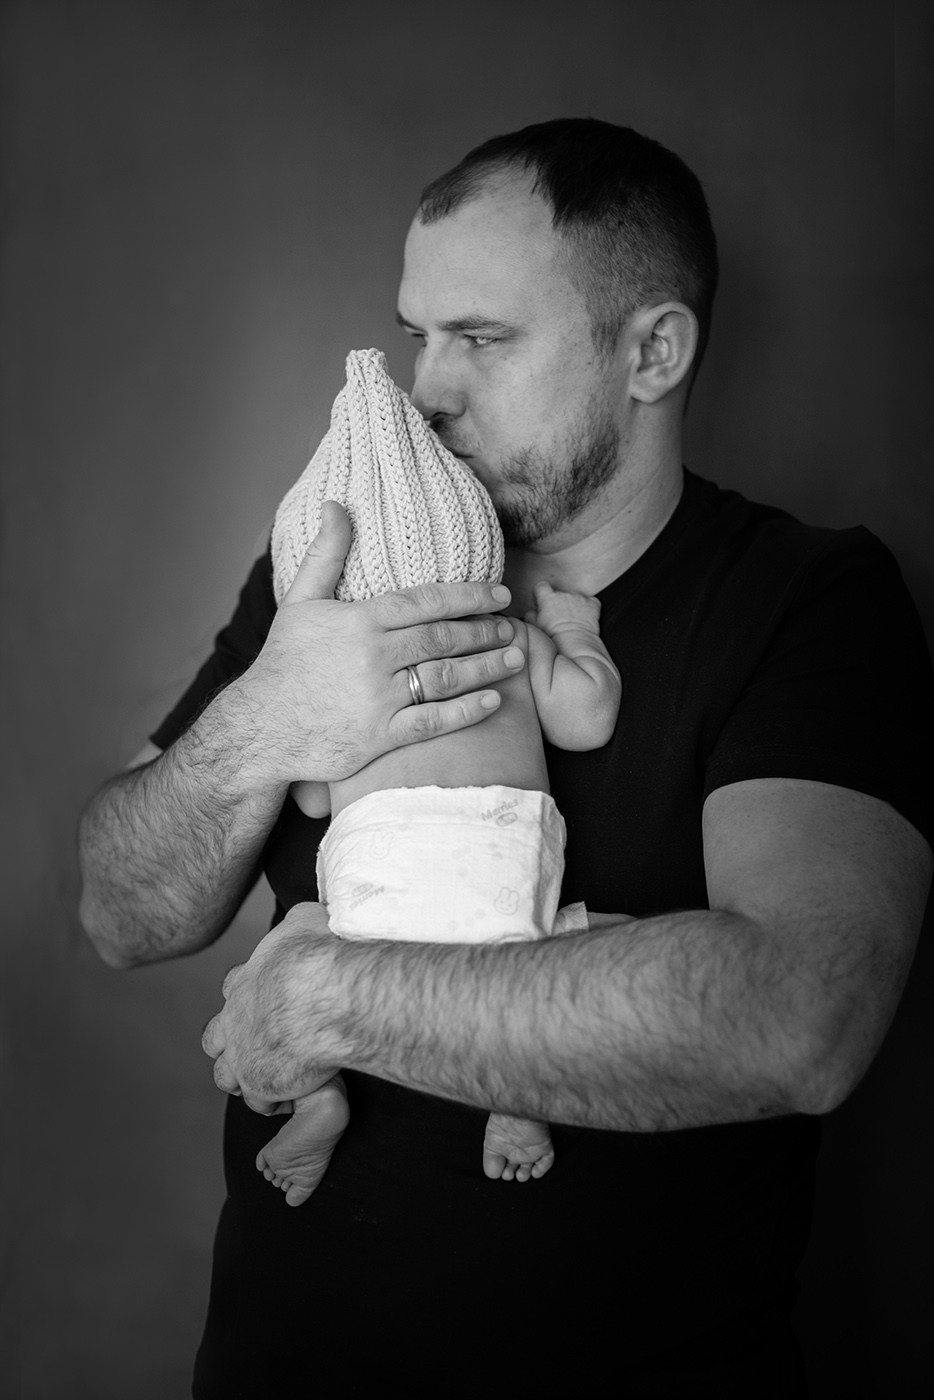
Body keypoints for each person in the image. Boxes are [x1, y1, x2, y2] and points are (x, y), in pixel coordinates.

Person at [78, 118, 934, 1397]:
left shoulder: (806, 601)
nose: (429, 387)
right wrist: (266, 715)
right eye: (420, 332)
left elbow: (797, 1017)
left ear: (652, 350)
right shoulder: (345, 562)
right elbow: (118, 913)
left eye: (481, 337)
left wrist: (329, 995)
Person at [256, 345, 621, 1204]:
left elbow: (310, 794)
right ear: (476, 547)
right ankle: (517, 1095)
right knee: (567, 962)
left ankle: (320, 1097)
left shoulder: (329, 690)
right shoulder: (507, 640)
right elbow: (589, 716)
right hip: (495, 873)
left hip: (370, 894)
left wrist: (295, 717)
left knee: (300, 934)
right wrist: (574, 633)